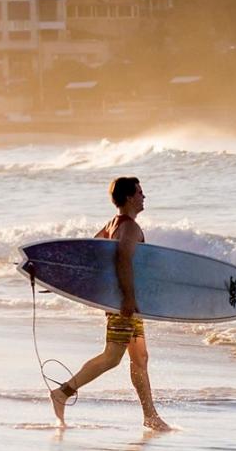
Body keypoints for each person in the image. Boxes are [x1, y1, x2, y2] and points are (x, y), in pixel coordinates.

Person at [50, 177, 170, 431]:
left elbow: (93, 254)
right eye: (139, 192)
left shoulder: (112, 224)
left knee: (140, 358)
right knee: (112, 357)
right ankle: (63, 393)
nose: (143, 197)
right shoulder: (130, 228)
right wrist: (126, 297)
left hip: (124, 300)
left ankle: (150, 416)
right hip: (124, 302)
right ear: (129, 198)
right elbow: (122, 260)